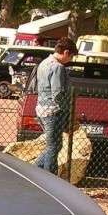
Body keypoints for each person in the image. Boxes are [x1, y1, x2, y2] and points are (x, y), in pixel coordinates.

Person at [33, 37, 78, 175]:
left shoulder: (44, 63)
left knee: (54, 145)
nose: (69, 60)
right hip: (53, 111)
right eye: (70, 57)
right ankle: (48, 177)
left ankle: (35, 170)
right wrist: (67, 110)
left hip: (41, 108)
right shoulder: (57, 67)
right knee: (53, 146)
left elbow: (36, 86)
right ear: (66, 52)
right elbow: (57, 93)